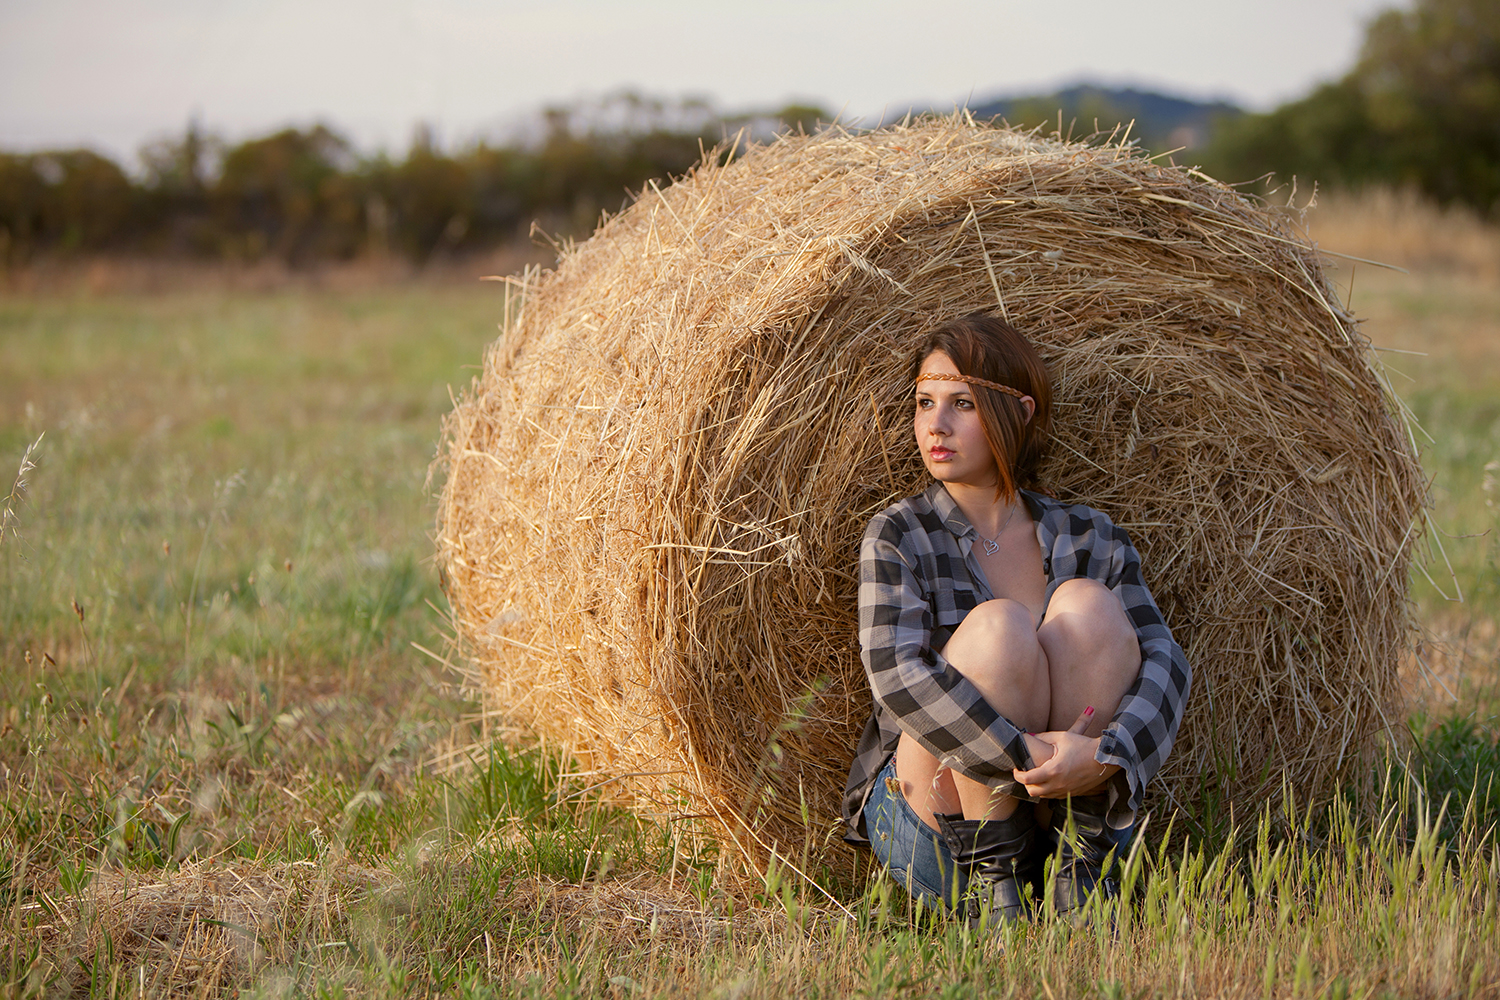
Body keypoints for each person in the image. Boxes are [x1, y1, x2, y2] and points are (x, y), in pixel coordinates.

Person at [841, 313, 1191, 926]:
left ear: (1020, 413)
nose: (935, 425)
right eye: (925, 402)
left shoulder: (1090, 535)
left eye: (962, 404)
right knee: (999, 627)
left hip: (1073, 826)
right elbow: (895, 676)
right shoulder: (899, 536)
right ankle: (995, 892)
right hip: (943, 831)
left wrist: (1110, 756)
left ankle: (1079, 874)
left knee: (1088, 605)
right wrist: (1020, 752)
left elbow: (1166, 661)